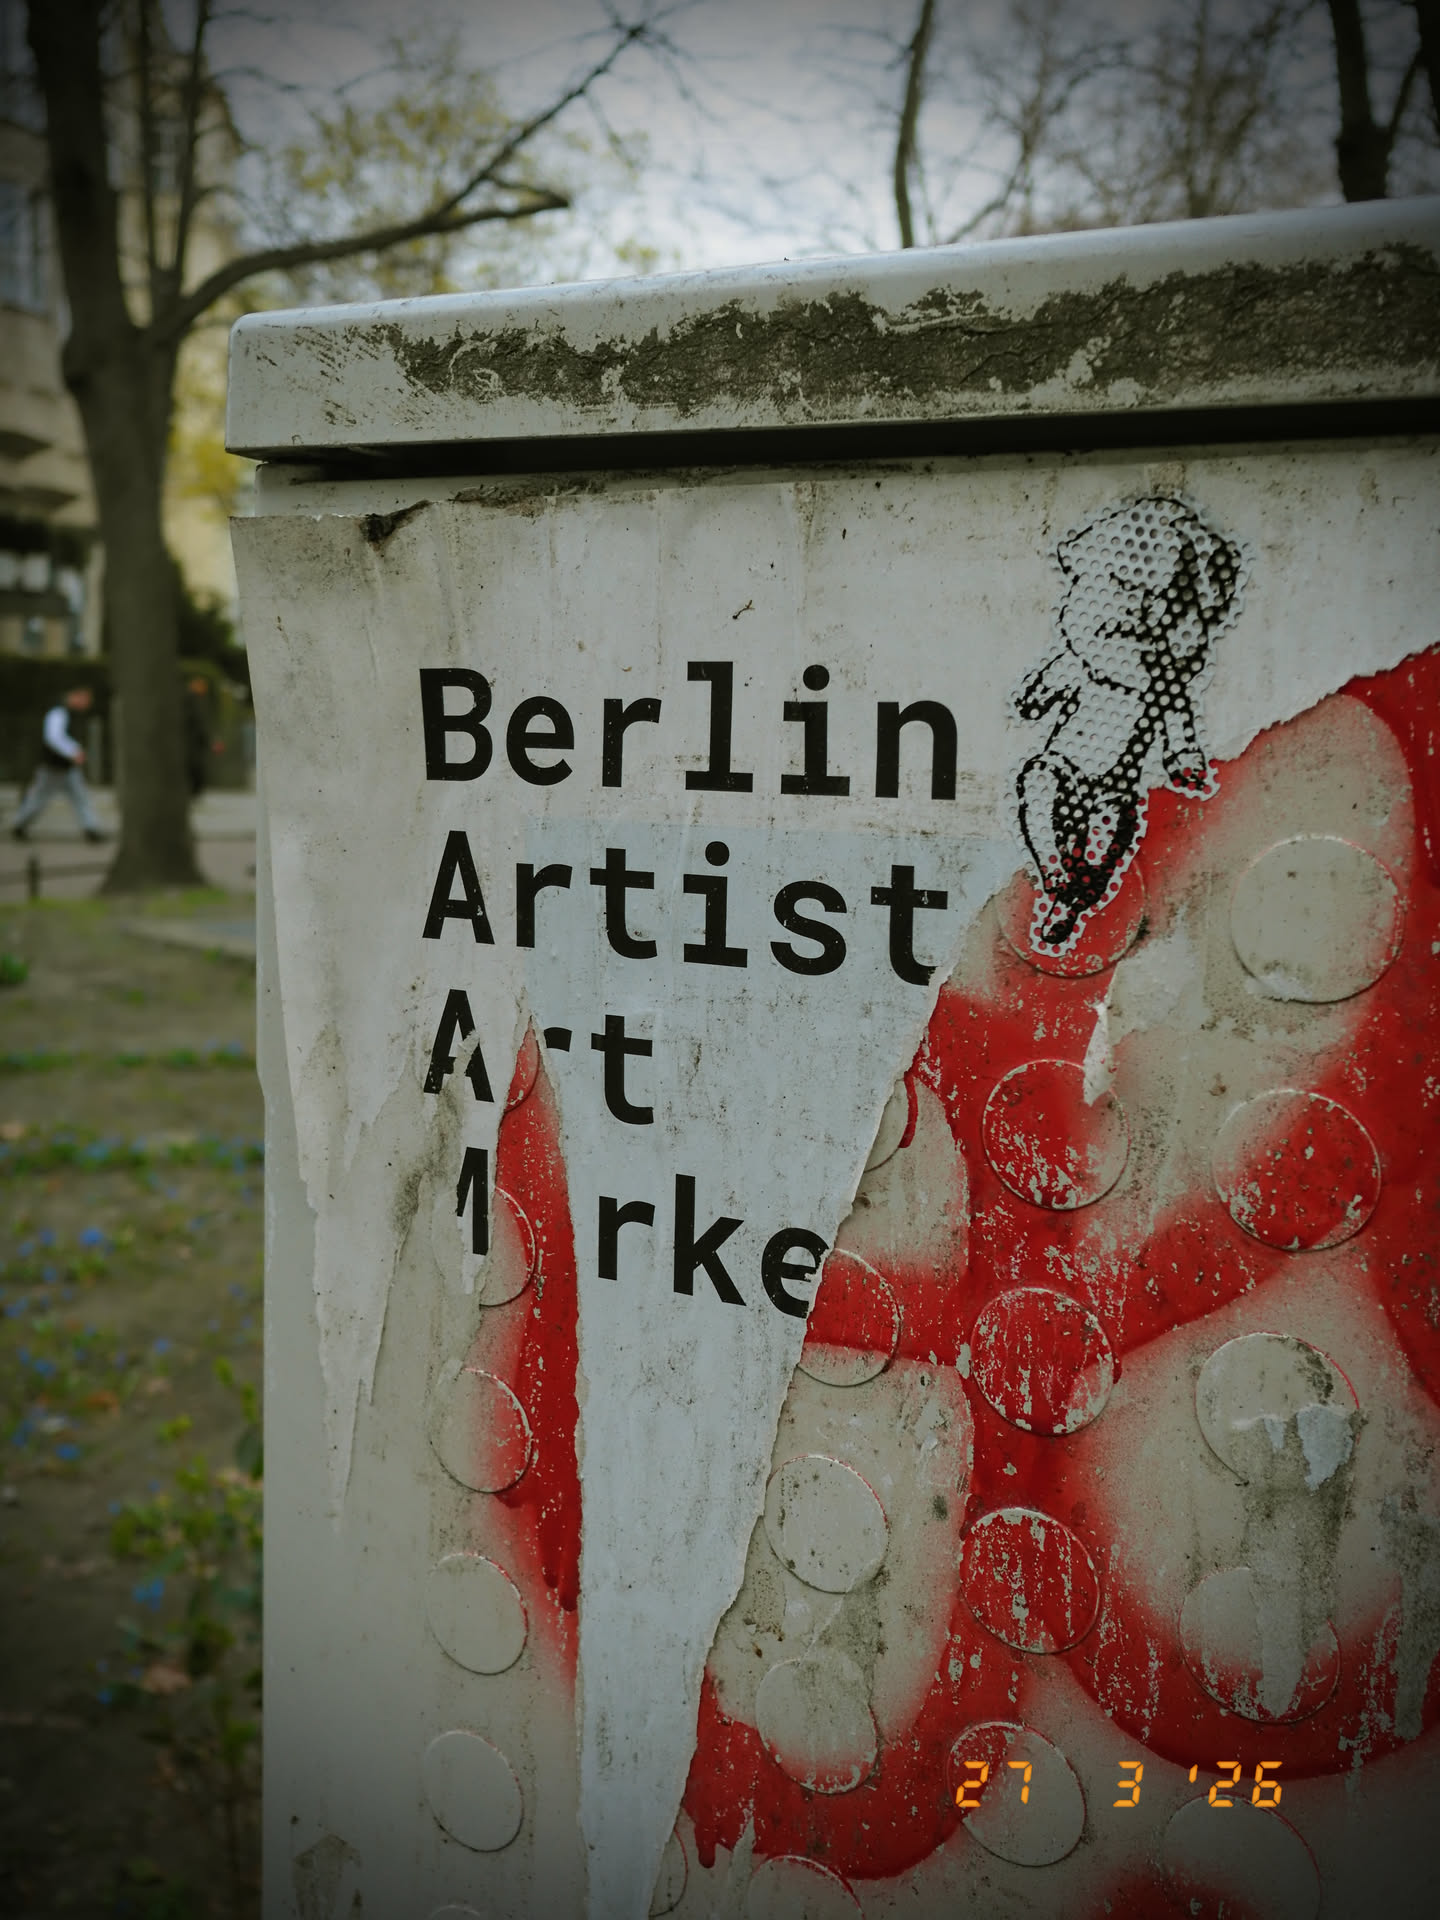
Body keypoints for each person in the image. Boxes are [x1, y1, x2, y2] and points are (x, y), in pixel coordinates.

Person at [10, 687, 107, 842]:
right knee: (39, 799)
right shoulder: (59, 713)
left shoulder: (71, 714)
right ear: (74, 695)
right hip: (52, 767)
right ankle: (19, 825)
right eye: (84, 698)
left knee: (80, 798)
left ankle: (91, 829)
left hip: (67, 768)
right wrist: (74, 752)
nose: (87, 703)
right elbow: (54, 738)